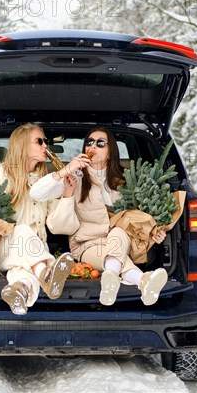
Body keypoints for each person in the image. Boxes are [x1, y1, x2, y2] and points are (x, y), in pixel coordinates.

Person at [30, 128, 169, 306]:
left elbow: (139, 217)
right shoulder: (74, 178)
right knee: (116, 254)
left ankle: (110, 281)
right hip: (87, 245)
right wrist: (66, 171)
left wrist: (154, 231)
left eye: (100, 143)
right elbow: (36, 193)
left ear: (111, 151)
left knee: (118, 233)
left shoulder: (126, 184)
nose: (93, 146)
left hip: (120, 241)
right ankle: (143, 281)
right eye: (89, 142)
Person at [0, 123, 81, 315]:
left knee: (22, 272)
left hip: (31, 254)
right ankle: (46, 274)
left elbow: (59, 227)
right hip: (0, 248)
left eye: (46, 142)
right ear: (22, 145)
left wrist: (67, 195)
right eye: (39, 141)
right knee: (23, 230)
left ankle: (18, 291)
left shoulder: (45, 181)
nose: (45, 146)